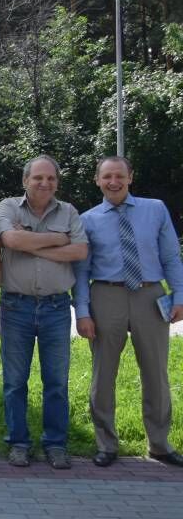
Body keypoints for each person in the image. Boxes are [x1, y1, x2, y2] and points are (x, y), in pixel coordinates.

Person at [74, 156, 183, 467]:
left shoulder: (155, 209)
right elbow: (81, 271)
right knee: (103, 374)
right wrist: (82, 311)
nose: (113, 182)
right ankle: (106, 444)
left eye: (119, 176)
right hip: (106, 294)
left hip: (150, 294)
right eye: (107, 176)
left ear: (130, 177)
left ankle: (160, 444)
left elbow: (172, 256)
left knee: (156, 372)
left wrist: (180, 296)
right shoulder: (88, 219)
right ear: (97, 180)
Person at [0, 156, 87, 469]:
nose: (44, 183)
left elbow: (80, 251)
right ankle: (18, 443)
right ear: (25, 181)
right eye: (38, 178)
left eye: (50, 179)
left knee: (57, 382)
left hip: (57, 308)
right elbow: (10, 239)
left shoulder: (69, 211)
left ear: (57, 183)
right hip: (15, 306)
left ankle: (55, 444)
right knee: (15, 382)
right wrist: (57, 239)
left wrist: (29, 244)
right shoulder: (8, 207)